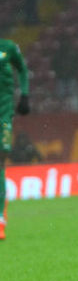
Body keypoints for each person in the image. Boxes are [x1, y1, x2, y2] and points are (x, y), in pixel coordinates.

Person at [0, 38, 30, 240]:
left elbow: (23, 70)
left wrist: (25, 95)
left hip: (3, 116)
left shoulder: (8, 48)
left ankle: (0, 219)